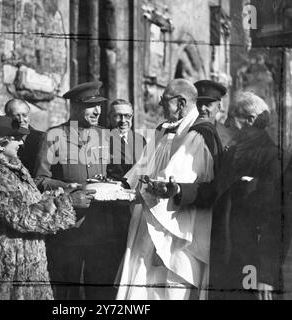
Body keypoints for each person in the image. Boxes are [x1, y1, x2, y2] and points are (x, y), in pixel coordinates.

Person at [169, 91, 292, 300]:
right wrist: (178, 190)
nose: (226, 122)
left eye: (232, 116)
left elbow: (278, 222)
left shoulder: (277, 159)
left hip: (252, 264)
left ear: (250, 120)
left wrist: (266, 274)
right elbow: (212, 192)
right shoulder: (232, 154)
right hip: (222, 260)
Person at [0, 116, 92, 300]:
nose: (21, 142)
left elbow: (33, 203)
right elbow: (22, 217)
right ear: (1, 145)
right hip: (5, 270)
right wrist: (69, 203)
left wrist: (62, 194)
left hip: (27, 265)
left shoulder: (14, 167)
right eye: (15, 138)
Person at [116, 79, 215, 300]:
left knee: (172, 277)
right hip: (149, 215)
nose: (160, 107)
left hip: (177, 221)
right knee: (143, 273)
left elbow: (180, 174)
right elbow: (143, 164)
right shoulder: (163, 129)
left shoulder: (199, 132)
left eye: (164, 102)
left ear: (180, 103)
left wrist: (158, 186)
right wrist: (122, 185)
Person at [35, 81, 123, 300]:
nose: (97, 111)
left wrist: (112, 184)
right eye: (90, 105)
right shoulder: (54, 136)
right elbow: (39, 180)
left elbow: (118, 174)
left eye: (99, 105)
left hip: (101, 228)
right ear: (74, 107)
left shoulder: (106, 135)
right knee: (66, 292)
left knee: (100, 292)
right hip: (68, 228)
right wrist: (67, 188)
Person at [4, 98, 45, 176]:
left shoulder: (42, 139)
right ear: (7, 117)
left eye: (24, 115)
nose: (21, 120)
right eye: (16, 116)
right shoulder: (3, 140)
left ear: (29, 116)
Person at [108, 99, 146, 176]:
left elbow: (145, 169)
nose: (123, 120)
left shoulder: (140, 140)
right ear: (109, 117)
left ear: (132, 117)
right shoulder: (102, 139)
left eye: (127, 116)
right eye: (118, 116)